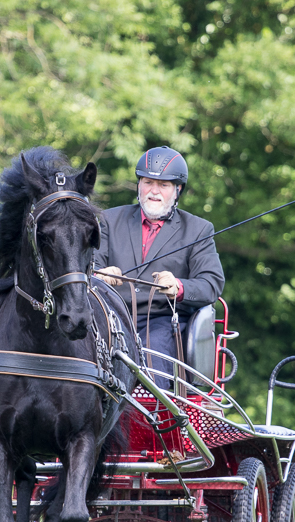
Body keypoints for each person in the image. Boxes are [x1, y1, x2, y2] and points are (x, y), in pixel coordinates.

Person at [95, 146, 224, 368]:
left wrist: (179, 287)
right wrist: (98, 274)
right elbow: (84, 266)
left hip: (162, 321)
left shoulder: (198, 229)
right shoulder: (108, 219)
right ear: (139, 185)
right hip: (109, 316)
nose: (154, 191)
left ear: (178, 190)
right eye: (148, 183)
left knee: (153, 354)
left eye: (163, 185)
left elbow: (211, 284)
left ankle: (148, 404)